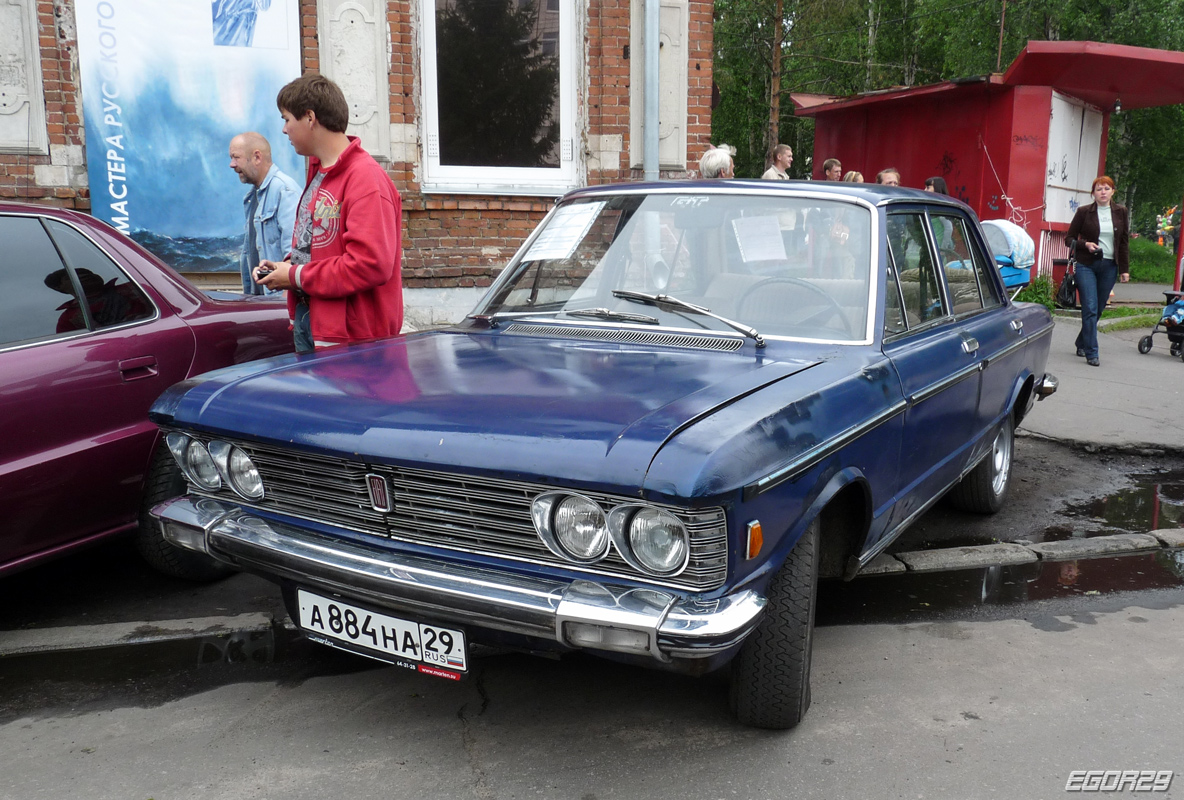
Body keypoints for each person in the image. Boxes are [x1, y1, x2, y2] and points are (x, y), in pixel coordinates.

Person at [255, 74, 404, 353]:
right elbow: (317, 245)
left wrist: (295, 275)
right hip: (314, 324)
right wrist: (284, 268)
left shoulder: (366, 179)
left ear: (310, 118)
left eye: (287, 119)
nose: (284, 130)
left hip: (353, 343)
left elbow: (370, 264)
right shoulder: (319, 173)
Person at [1064, 175, 1130, 367]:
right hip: (1086, 265)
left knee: (1099, 308)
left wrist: (1124, 269)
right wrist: (1086, 244)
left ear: (1112, 192)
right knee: (1090, 308)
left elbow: (1124, 241)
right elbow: (1069, 239)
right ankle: (1092, 352)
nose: (1103, 192)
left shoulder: (1121, 212)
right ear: (1093, 193)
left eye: (1106, 189)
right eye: (1099, 189)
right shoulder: (1084, 212)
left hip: (1109, 266)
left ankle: (1081, 341)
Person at [230, 132, 300, 295]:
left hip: (278, 307)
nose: (232, 164)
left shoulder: (285, 191)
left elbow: (295, 258)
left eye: (236, 157)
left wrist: (283, 308)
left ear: (256, 157)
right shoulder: (253, 196)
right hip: (262, 304)